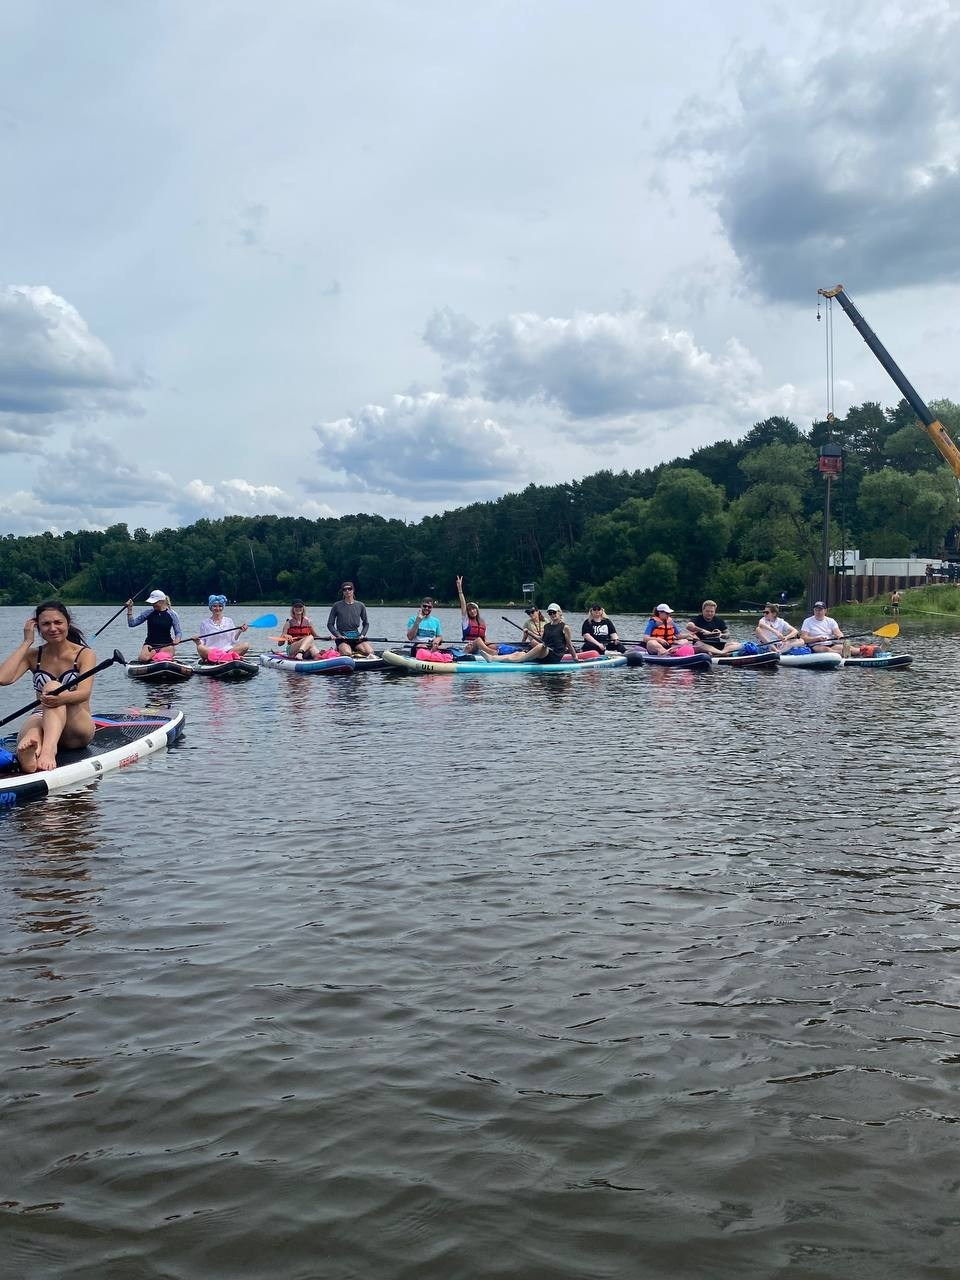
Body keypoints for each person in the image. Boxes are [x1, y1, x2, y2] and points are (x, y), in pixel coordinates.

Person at [0, 601, 96, 773]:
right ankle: (30, 757)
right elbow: (3, 678)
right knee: (30, 735)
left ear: (67, 623)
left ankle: (48, 751)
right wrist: (26, 642)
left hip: (76, 725)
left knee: (52, 687)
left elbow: (84, 693)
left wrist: (60, 698)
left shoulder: (84, 654)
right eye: (45, 624)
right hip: (41, 716)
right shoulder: (33, 655)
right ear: (37, 627)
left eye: (58, 622)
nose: (52, 628)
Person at [489, 603, 578, 664]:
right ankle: (492, 658)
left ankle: (519, 660)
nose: (552, 615)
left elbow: (569, 645)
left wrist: (575, 658)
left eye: (554, 612)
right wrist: (529, 633)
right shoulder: (547, 626)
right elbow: (541, 639)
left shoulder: (565, 627)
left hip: (555, 656)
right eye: (550, 613)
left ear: (559, 612)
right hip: (545, 653)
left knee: (540, 646)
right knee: (520, 653)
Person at [126, 590, 183, 662]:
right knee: (143, 659)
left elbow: (178, 632)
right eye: (152, 603)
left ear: (162, 601)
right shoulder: (148, 613)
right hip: (150, 645)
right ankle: (153, 657)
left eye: (155, 602)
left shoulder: (172, 614)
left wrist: (177, 639)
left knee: (162, 658)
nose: (153, 604)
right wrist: (130, 609)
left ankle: (158, 658)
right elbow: (132, 624)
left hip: (167, 645)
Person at [196, 595, 250, 661]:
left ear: (223, 607)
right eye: (215, 606)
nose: (217, 608)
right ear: (211, 608)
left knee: (246, 645)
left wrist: (240, 631)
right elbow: (202, 642)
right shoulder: (204, 623)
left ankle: (221, 658)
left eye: (220, 606)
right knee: (200, 648)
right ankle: (229, 657)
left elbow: (233, 640)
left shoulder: (229, 621)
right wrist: (197, 641)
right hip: (212, 651)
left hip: (228, 651)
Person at [455, 576, 499, 657]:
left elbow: (484, 638)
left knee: (494, 646)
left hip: (479, 646)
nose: (472, 611)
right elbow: (463, 605)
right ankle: (491, 653)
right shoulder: (466, 620)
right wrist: (460, 590)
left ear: (477, 610)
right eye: (470, 610)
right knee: (478, 640)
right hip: (468, 646)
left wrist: (489, 643)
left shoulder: (481, 622)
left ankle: (493, 652)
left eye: (474, 609)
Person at [327, 582, 374, 657]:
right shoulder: (336, 605)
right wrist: (338, 635)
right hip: (342, 637)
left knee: (369, 652)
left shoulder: (360, 605)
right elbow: (330, 624)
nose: (347, 591)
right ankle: (342, 650)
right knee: (347, 653)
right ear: (342, 592)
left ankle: (355, 651)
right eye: (344, 589)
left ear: (353, 590)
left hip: (356, 636)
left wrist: (362, 635)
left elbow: (366, 624)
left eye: (349, 589)